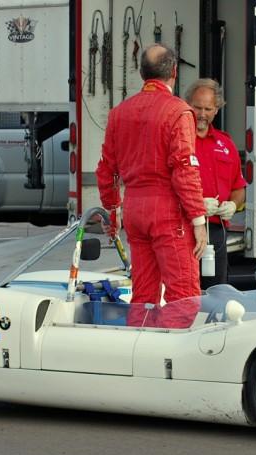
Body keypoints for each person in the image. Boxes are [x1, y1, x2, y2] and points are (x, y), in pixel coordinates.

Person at [96, 43, 208, 307]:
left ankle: (141, 342)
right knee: (183, 294)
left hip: (134, 208)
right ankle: (178, 348)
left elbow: (106, 170)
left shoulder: (118, 113)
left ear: (142, 72)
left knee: (143, 294)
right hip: (167, 210)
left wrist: (113, 213)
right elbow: (184, 170)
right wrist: (199, 219)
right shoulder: (178, 111)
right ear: (174, 72)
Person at [184, 78, 246, 288]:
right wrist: (196, 205)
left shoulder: (225, 144)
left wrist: (233, 205)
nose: (202, 114)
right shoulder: (179, 140)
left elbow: (238, 188)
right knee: (184, 291)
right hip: (184, 227)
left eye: (208, 108)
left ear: (216, 110)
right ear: (187, 106)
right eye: (197, 107)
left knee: (217, 290)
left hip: (216, 232)